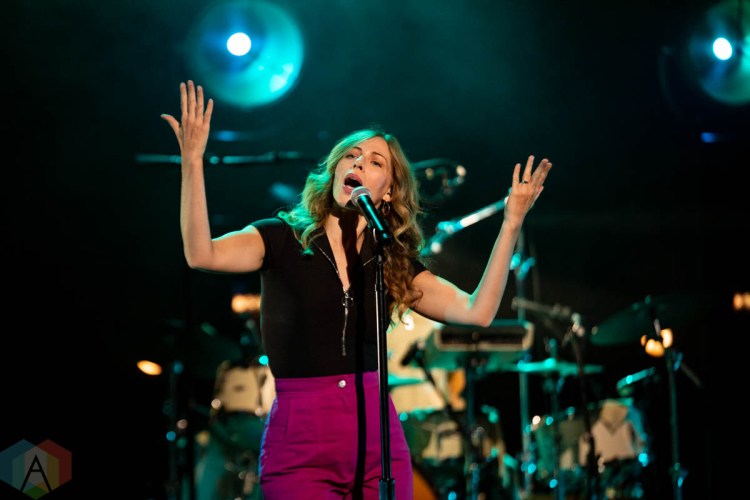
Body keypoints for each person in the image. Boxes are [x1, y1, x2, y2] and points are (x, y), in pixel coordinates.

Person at [161, 80, 552, 500]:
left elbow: (478, 311)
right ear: (334, 172)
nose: (359, 162)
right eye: (351, 155)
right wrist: (193, 162)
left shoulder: (390, 260)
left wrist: (511, 223)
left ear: (389, 191)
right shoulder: (279, 238)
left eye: (375, 161)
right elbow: (201, 253)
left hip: (378, 440)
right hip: (300, 440)